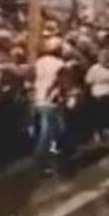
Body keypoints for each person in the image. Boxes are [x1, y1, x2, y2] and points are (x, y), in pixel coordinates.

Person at [32, 38, 65, 174]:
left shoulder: (39, 62)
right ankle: (43, 162)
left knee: (50, 131)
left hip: (39, 99)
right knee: (49, 134)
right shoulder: (59, 64)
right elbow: (58, 82)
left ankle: (50, 160)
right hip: (51, 101)